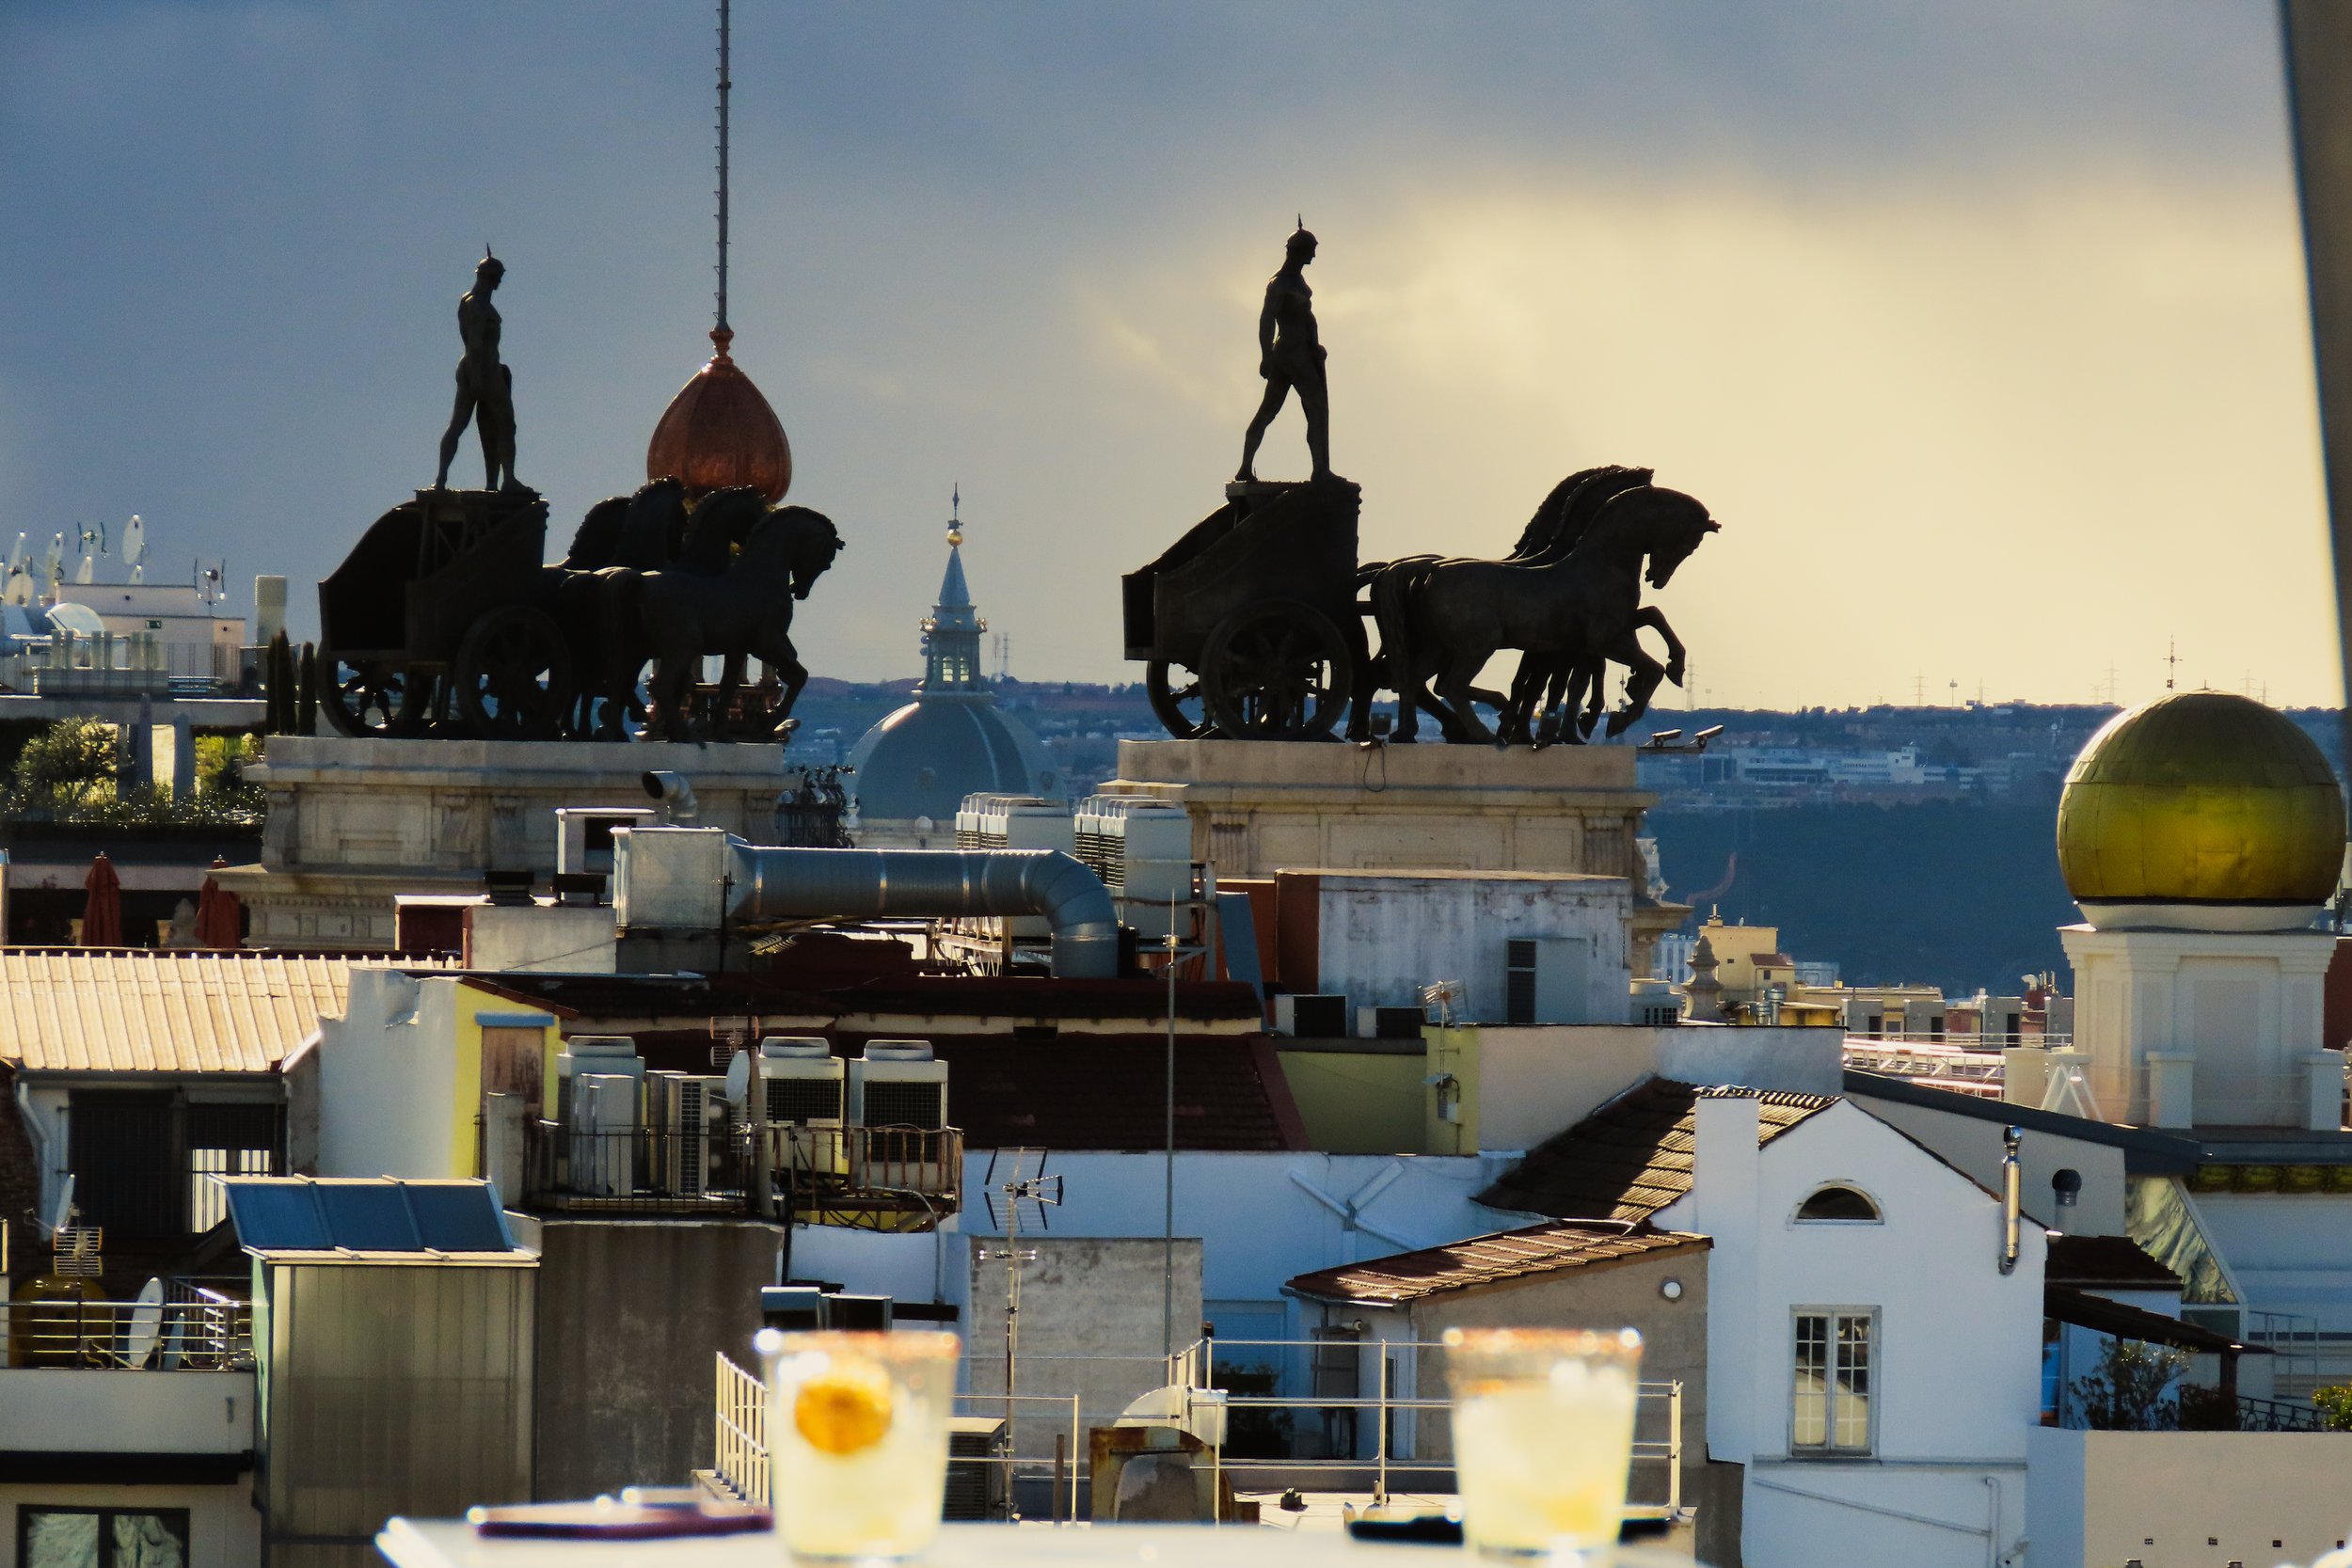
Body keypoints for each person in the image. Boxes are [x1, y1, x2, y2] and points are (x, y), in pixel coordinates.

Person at [1236, 223, 1331, 483]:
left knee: (1269, 410)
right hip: (1292, 354)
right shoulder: (1280, 284)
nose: (1314, 255)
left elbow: (1306, 318)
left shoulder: (1297, 280)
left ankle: (1246, 467)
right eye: (1311, 250)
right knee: (1315, 407)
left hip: (1301, 352)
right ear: (1298, 251)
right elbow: (1267, 319)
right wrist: (1265, 355)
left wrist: (1315, 346)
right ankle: (1320, 470)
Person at [434, 248, 526, 492]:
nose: (499, 282)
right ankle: (508, 479)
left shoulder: (469, 300)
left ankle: (442, 479)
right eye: (498, 277)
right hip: (484, 369)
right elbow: (475, 343)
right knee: (505, 424)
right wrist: (478, 377)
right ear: (491, 277)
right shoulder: (478, 304)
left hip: (474, 368)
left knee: (458, 425)